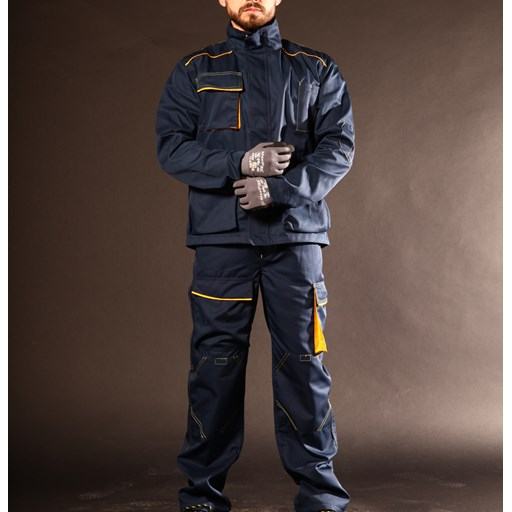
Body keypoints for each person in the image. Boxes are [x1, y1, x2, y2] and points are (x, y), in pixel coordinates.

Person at [155, 1, 355, 511]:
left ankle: (321, 498)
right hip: (223, 243)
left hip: (295, 241)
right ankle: (201, 496)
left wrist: (280, 190)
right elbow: (171, 147)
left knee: (304, 367)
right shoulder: (195, 69)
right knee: (214, 368)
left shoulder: (317, 68)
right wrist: (238, 162)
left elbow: (338, 148)